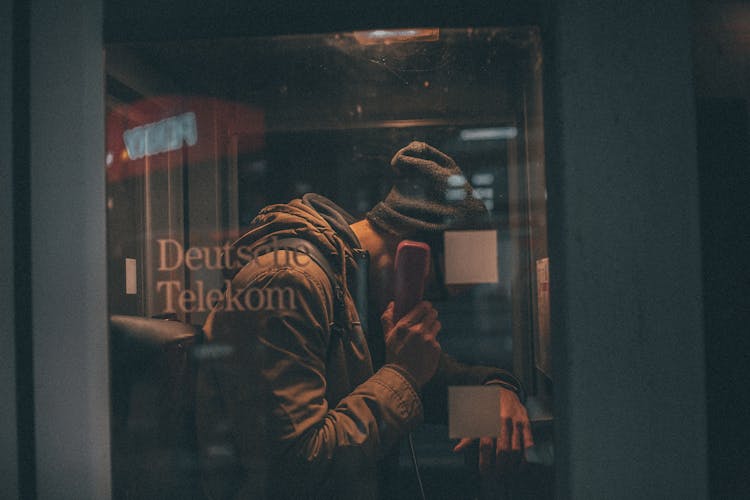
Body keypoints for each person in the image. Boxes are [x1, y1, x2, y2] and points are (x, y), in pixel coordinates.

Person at [196, 141, 534, 500]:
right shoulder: (291, 282)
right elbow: (295, 468)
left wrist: (498, 389)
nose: (427, 307)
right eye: (431, 290)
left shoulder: (351, 287)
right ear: (409, 256)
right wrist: (403, 374)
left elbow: (435, 381)